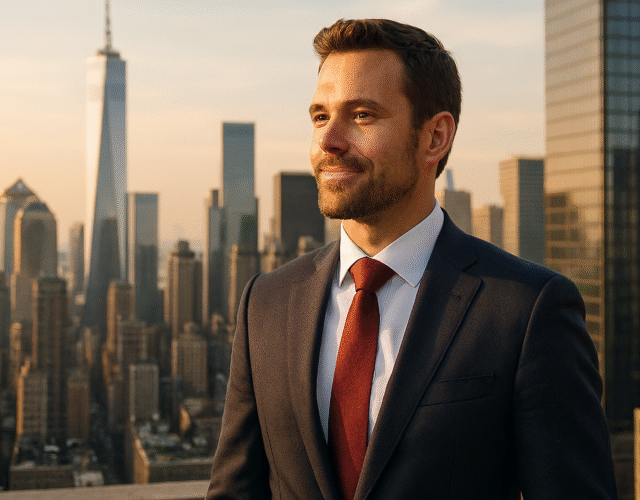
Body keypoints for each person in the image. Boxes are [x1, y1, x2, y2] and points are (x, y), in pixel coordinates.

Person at [207, 18, 617, 500]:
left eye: (362, 115)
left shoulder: (527, 310)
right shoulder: (266, 302)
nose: (328, 140)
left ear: (435, 137)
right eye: (319, 116)